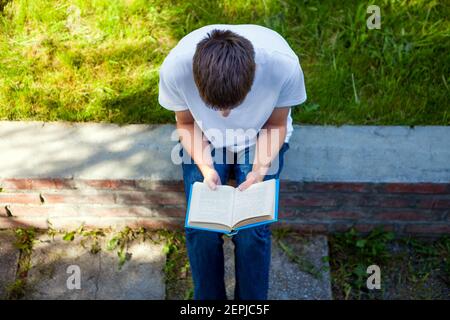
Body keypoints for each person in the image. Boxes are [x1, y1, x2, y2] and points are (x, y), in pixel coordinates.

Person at [158, 24, 307, 300]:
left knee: (253, 228)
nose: (225, 115)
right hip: (206, 137)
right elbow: (187, 123)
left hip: (260, 135)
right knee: (200, 227)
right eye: (217, 107)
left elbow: (276, 124)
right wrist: (205, 168)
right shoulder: (175, 68)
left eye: (233, 105)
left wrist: (259, 170)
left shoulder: (282, 65)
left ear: (253, 76)